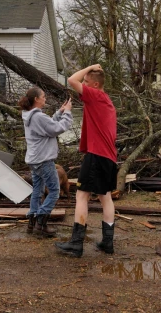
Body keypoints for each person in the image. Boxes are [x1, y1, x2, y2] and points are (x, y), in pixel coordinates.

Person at [55, 64, 117, 257]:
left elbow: (71, 79)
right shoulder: (106, 100)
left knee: (82, 196)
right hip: (108, 157)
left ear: (96, 85)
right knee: (105, 197)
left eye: (87, 82)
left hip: (97, 155)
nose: (83, 84)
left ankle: (76, 244)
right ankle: (108, 243)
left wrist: (90, 67)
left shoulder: (96, 95)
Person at [20, 87, 73, 237]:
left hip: (34, 160)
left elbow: (47, 126)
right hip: (43, 160)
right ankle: (40, 224)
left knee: (37, 190)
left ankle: (32, 221)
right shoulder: (38, 117)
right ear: (36, 99)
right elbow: (57, 128)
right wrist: (68, 113)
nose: (45, 98)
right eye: (43, 96)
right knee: (55, 191)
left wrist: (59, 113)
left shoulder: (30, 115)